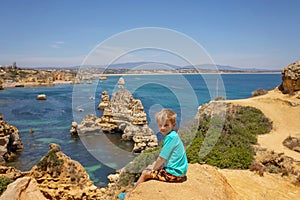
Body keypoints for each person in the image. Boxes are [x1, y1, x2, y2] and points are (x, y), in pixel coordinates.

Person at [119, 108, 188, 200]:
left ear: (173, 124)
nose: (162, 128)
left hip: (174, 174)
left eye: (166, 125)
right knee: (153, 166)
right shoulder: (174, 136)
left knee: (145, 173)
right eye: (160, 125)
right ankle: (140, 184)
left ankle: (129, 195)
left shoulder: (170, 138)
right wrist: (155, 166)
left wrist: (153, 168)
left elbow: (162, 158)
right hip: (179, 171)